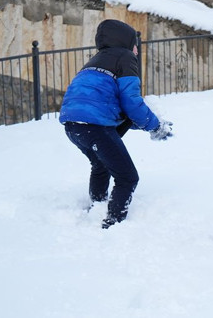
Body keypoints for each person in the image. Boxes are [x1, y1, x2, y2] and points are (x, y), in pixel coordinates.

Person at [59, 19, 174, 229]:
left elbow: (113, 108)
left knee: (100, 165)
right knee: (127, 177)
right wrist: (155, 126)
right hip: (95, 126)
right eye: (135, 44)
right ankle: (113, 223)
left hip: (73, 125)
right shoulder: (125, 57)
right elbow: (132, 102)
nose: (137, 50)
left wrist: (146, 124)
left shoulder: (95, 61)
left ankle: (97, 206)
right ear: (125, 42)